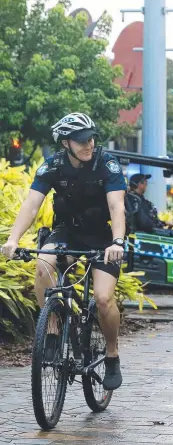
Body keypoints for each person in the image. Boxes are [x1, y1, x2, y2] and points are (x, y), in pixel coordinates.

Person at [1, 112, 126, 391]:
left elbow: (117, 206)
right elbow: (32, 205)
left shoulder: (107, 163)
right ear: (65, 143)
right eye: (81, 141)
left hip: (102, 237)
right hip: (67, 232)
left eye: (91, 138)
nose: (88, 145)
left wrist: (117, 242)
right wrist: (13, 238)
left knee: (104, 299)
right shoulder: (53, 166)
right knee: (43, 263)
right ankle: (55, 331)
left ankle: (112, 355)